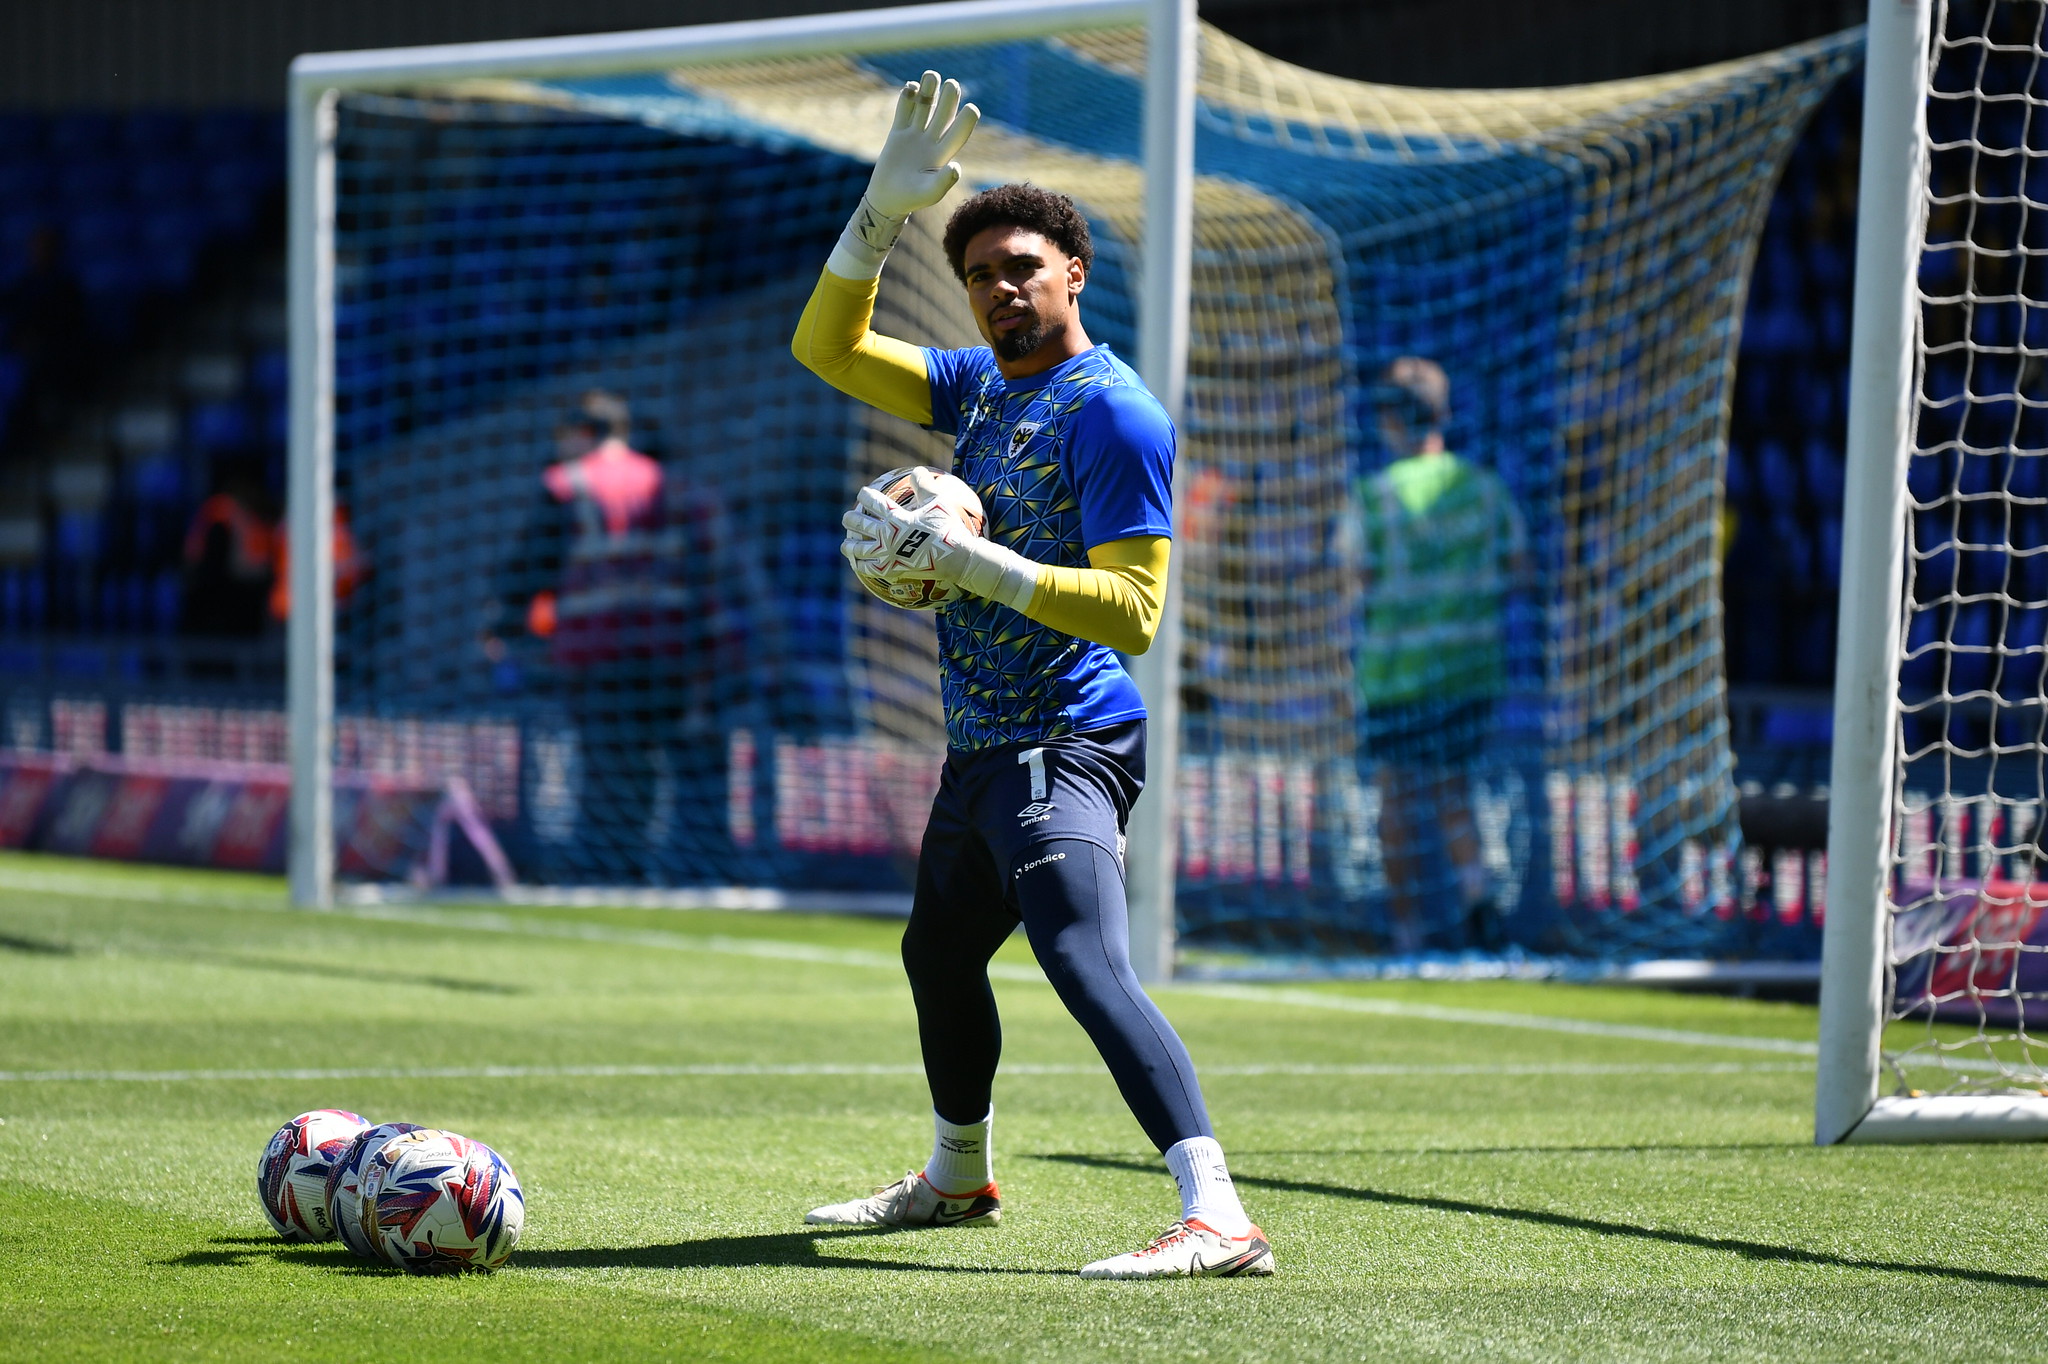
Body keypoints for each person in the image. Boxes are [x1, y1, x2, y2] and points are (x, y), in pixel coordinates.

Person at [790, 72, 1270, 1280]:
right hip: (982, 745)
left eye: (1022, 264)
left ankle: (1216, 1210)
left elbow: (1139, 612)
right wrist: (876, 216)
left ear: (1073, 272)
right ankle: (957, 1176)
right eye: (980, 272)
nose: (1001, 285)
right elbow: (824, 344)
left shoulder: (1112, 412)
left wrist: (979, 562)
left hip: (1065, 737)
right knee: (936, 957)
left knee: (1080, 958)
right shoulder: (979, 389)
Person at [487, 390, 743, 883]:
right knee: (673, 762)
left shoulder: (567, 484)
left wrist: (502, 626)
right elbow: (706, 570)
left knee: (610, 764)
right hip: (670, 654)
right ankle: (697, 870)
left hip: (598, 653)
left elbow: (530, 564)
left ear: (582, 434)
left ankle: (613, 868)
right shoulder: (671, 484)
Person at [1353, 357, 1529, 952]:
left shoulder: (1374, 497)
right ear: (1444, 414)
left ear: (1387, 420)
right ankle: (1478, 899)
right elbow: (1520, 571)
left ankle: (1406, 934)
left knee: (1396, 801)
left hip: (1396, 674)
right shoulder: (1484, 490)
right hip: (1468, 671)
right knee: (1456, 793)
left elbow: (1350, 582)